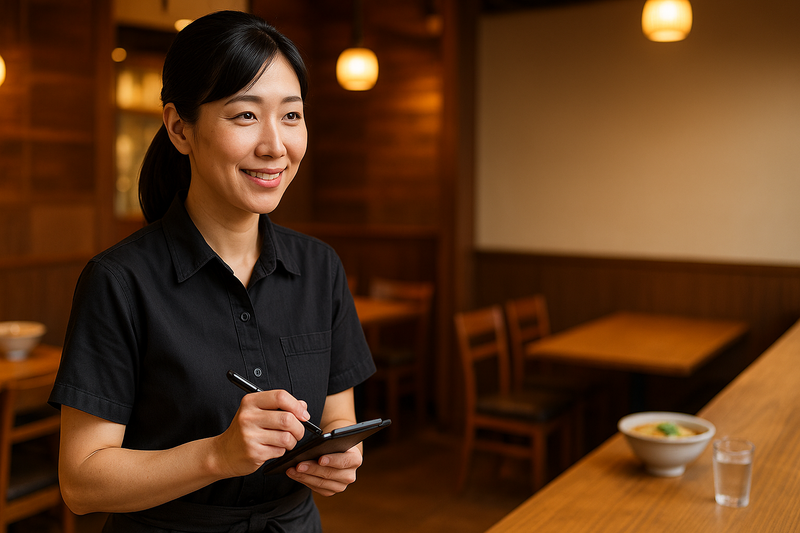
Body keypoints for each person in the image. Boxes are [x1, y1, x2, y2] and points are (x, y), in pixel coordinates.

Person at [49, 10, 376, 533]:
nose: (275, 145)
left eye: (291, 116)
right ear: (179, 128)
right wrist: (218, 455)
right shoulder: (120, 281)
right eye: (245, 115)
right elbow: (82, 483)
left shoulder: (320, 268)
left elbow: (339, 415)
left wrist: (339, 453)